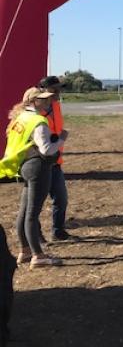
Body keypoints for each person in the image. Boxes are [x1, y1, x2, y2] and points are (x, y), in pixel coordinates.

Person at [2, 88, 67, 267]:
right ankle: (39, 256)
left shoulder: (20, 118)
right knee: (32, 214)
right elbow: (46, 149)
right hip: (38, 167)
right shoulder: (38, 120)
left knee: (24, 212)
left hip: (24, 166)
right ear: (33, 101)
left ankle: (25, 251)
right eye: (43, 100)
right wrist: (61, 139)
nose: (48, 103)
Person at [38, 75, 73, 240]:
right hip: (40, 162)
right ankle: (35, 236)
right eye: (55, 89)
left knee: (61, 198)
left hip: (55, 159)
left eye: (59, 88)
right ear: (43, 90)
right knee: (35, 203)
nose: (58, 92)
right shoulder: (37, 109)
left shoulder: (56, 105)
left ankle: (58, 231)